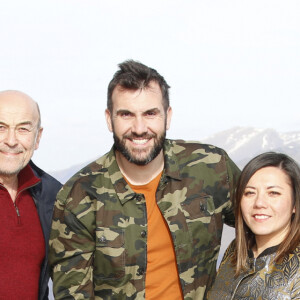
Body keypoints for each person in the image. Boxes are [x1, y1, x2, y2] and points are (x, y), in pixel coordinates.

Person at [49, 60, 240, 300]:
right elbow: (72, 294)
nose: (139, 128)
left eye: (150, 113)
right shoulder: (80, 195)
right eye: (126, 114)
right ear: (109, 119)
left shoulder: (211, 167)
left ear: (167, 117)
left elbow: (272, 225)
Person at [208, 152, 300, 299]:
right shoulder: (234, 252)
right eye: (250, 193)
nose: (259, 203)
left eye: (273, 193)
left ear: (295, 203)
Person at [0, 90, 62, 300]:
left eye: (23, 129)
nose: (11, 140)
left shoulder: (53, 195)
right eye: (1, 127)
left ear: (37, 137)